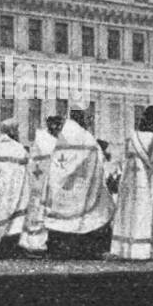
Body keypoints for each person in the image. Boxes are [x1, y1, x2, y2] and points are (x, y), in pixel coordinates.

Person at [110, 106, 153, 260]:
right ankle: (146, 252)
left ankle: (126, 250)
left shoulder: (130, 140)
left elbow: (119, 166)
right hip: (148, 189)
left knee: (130, 219)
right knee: (145, 219)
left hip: (129, 188)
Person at [45, 109, 115, 259]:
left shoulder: (65, 136)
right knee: (89, 216)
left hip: (67, 189)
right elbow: (100, 163)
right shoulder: (87, 138)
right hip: (85, 186)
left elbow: (58, 165)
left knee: (64, 220)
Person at [0, 119, 29, 257]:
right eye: (16, 129)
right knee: (14, 218)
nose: (18, 132)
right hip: (15, 187)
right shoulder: (18, 148)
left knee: (0, 213)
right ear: (12, 131)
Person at [19, 115, 62, 255]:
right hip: (41, 181)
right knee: (38, 211)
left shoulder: (53, 140)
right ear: (52, 126)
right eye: (58, 126)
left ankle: (47, 243)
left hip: (50, 182)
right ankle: (34, 244)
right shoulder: (44, 140)